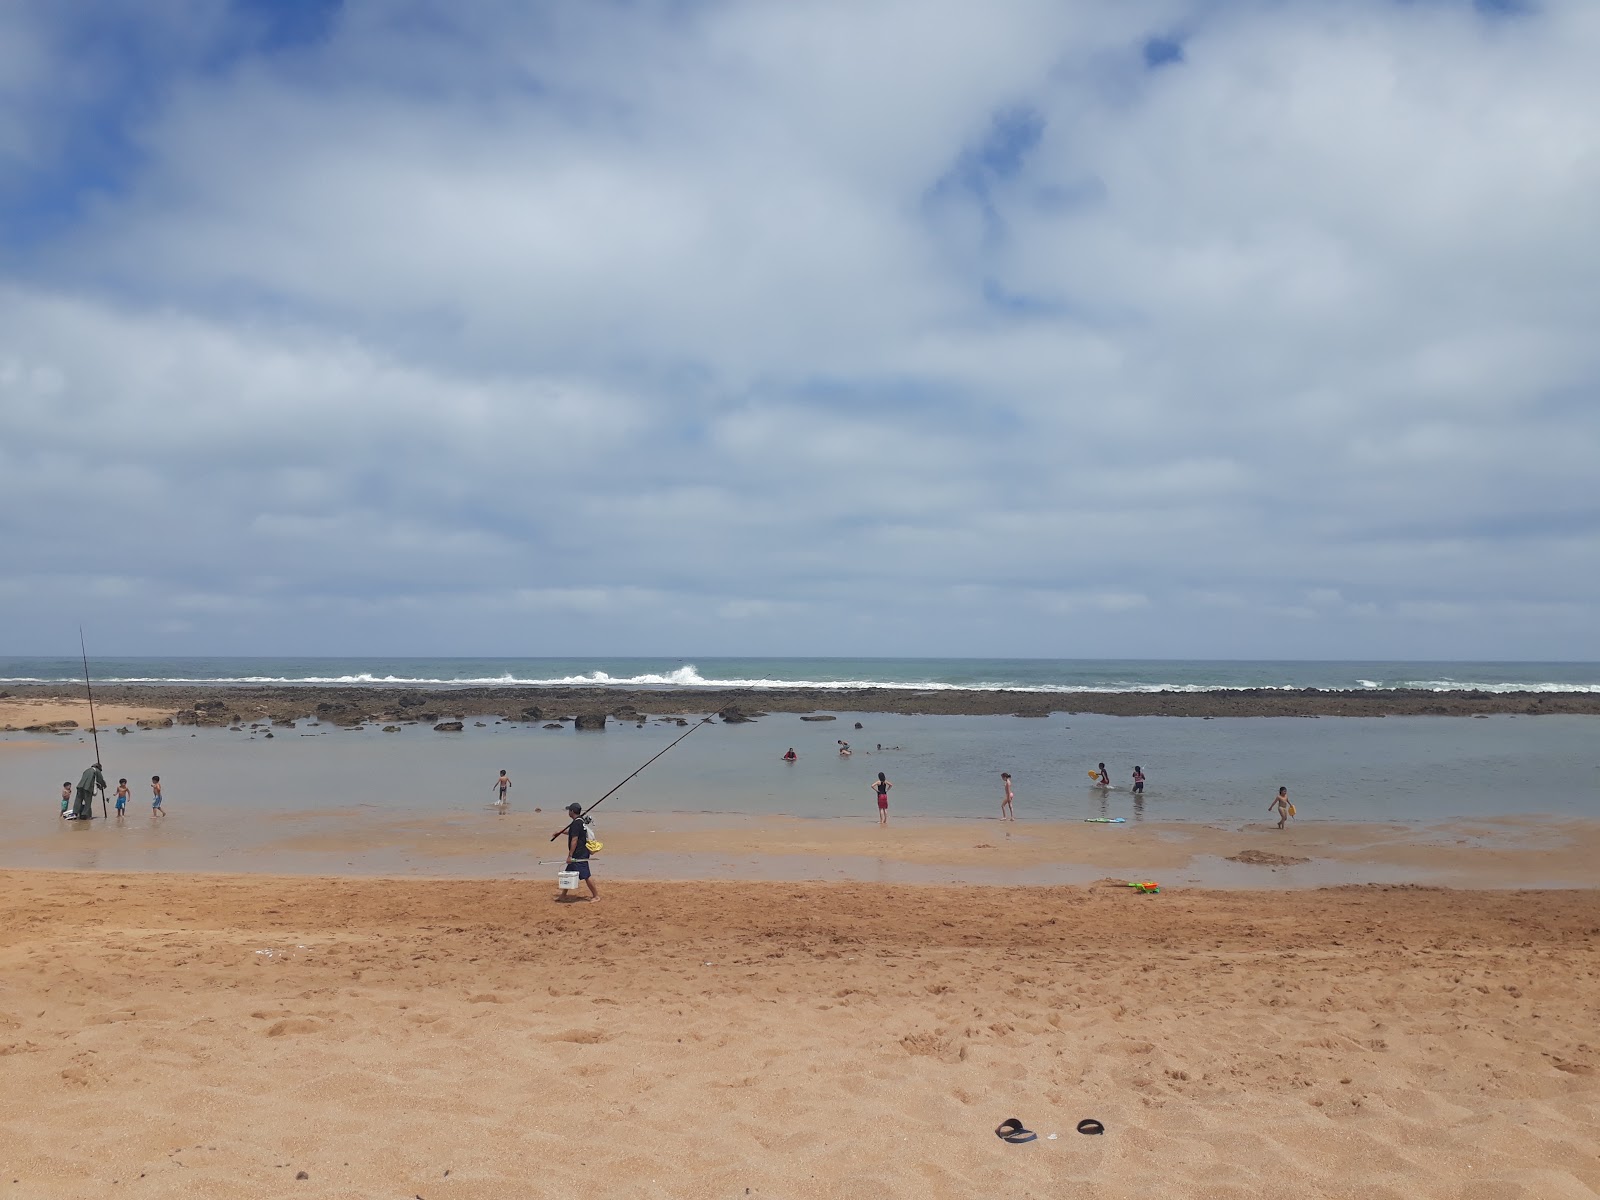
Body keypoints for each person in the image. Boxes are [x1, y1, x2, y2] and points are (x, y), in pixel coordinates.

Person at [555, 802, 598, 902]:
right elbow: (572, 832)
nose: (568, 812)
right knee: (568, 872)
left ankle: (596, 896)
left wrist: (570, 855)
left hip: (579, 853)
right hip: (581, 852)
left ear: (572, 811)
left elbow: (574, 839)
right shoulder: (580, 821)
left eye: (569, 810)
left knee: (586, 875)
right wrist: (560, 833)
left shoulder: (576, 823)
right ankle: (563, 895)